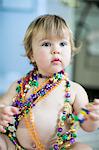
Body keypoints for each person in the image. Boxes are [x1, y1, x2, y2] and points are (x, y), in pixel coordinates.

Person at [0, 14, 99, 150]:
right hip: (17, 146)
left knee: (84, 148)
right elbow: (2, 104)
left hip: (61, 147)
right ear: (31, 54)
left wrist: (92, 119)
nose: (56, 50)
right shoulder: (19, 85)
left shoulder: (75, 90)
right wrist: (2, 112)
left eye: (63, 44)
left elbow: (86, 126)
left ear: (71, 51)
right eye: (46, 44)